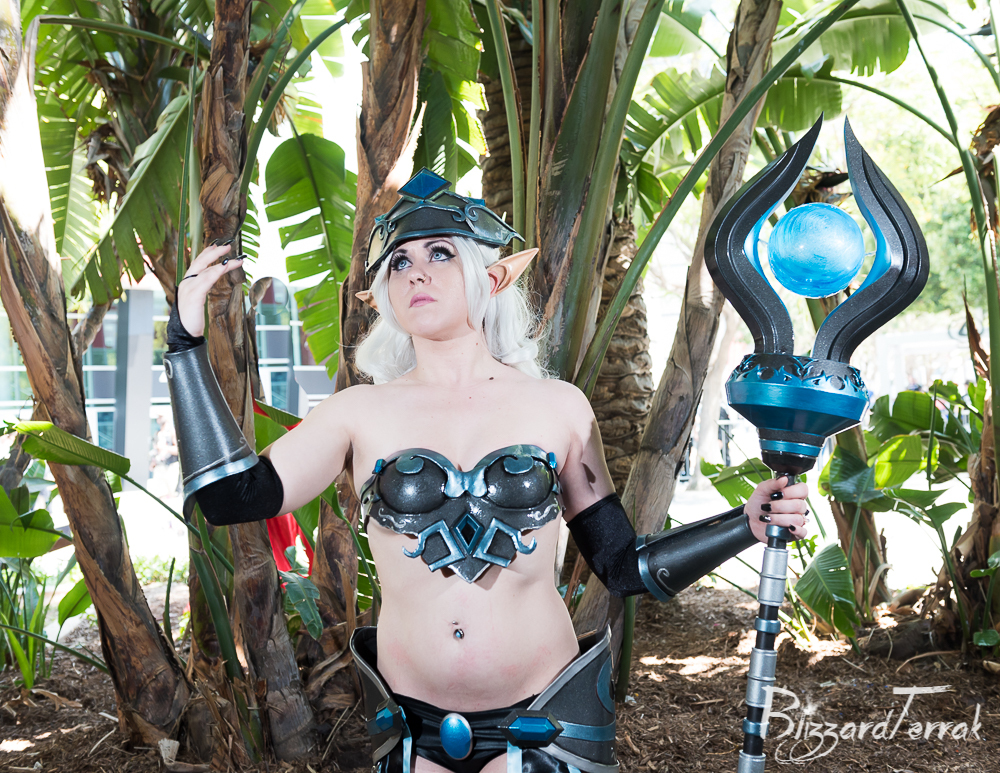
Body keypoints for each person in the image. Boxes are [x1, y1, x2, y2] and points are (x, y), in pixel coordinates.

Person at [163, 169, 809, 773]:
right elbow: (228, 496)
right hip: (413, 736)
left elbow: (620, 565)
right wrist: (185, 347)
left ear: (491, 277)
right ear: (384, 294)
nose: (417, 272)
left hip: (545, 729)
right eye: (399, 263)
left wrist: (745, 524)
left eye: (440, 253)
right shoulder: (356, 413)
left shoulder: (559, 408)